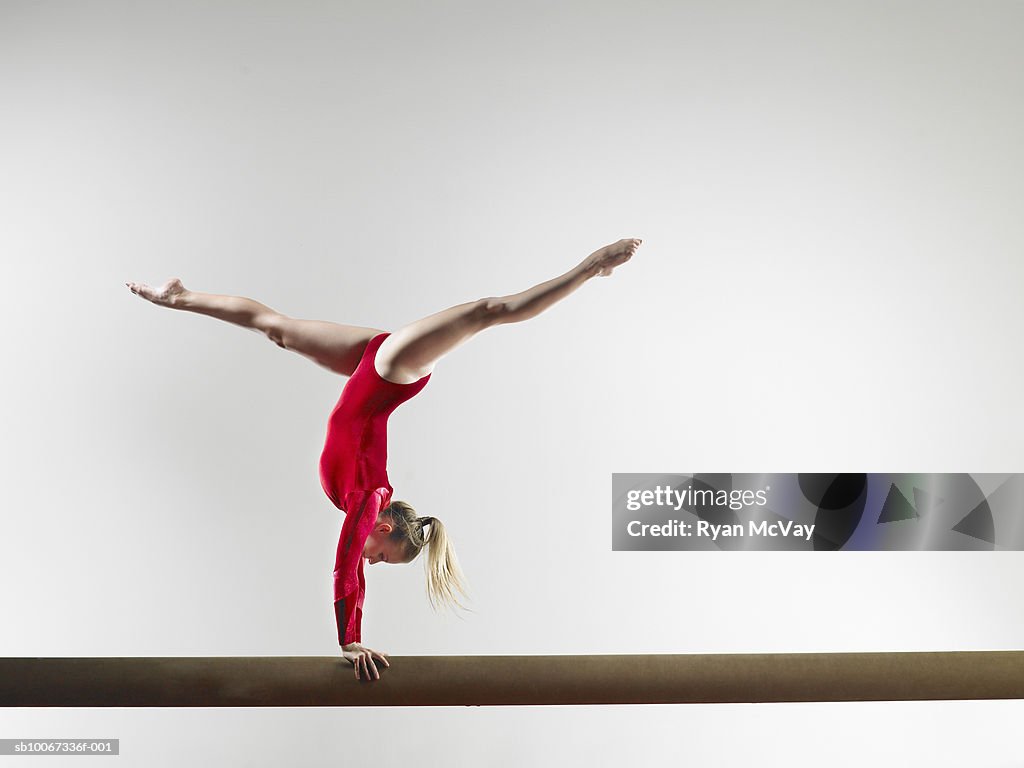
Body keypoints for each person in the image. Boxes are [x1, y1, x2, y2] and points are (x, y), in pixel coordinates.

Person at [126, 237, 642, 680]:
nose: (371, 558)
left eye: (378, 562)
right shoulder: (369, 502)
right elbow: (346, 567)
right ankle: (592, 266)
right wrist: (350, 640)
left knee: (276, 329)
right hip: (393, 369)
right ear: (389, 526)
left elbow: (354, 560)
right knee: (490, 311)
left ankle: (180, 297)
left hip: (371, 368)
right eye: (384, 554)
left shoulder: (363, 502)